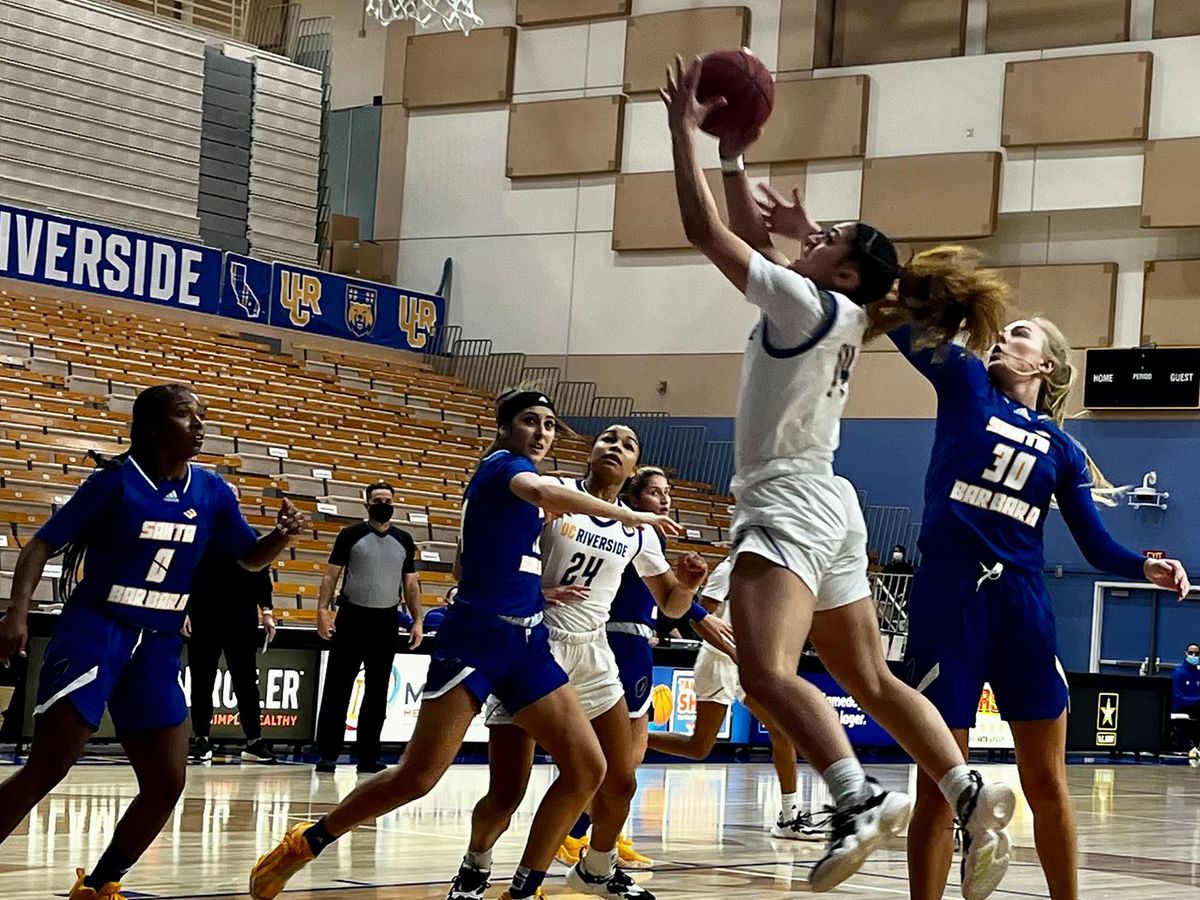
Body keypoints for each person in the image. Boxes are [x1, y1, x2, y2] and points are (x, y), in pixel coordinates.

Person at [663, 56, 1016, 897]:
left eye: (822, 243)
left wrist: (685, 131)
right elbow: (764, 241)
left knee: (768, 676)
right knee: (872, 679)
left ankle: (855, 798)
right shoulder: (846, 310)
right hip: (832, 503)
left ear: (846, 272)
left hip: (786, 498)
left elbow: (710, 233)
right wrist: (738, 159)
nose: (803, 238)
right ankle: (964, 788)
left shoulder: (805, 302)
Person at [249, 390, 681, 900]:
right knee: (418, 776)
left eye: (548, 424)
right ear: (504, 428)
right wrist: (635, 516)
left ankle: (524, 888)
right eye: (529, 421)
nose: (541, 432)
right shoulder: (503, 467)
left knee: (591, 769)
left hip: (528, 641)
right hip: (476, 635)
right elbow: (539, 496)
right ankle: (307, 841)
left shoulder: (537, 492)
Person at [833, 314, 1192, 900]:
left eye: (1019, 333)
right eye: (1002, 332)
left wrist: (1142, 567)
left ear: (1044, 363)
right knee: (936, 784)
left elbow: (1096, 545)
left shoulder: (1063, 448)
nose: (1003, 337)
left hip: (1023, 607)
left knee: (1048, 782)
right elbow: (895, 318)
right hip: (950, 602)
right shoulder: (967, 382)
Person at [0, 384, 306, 900]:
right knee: (49, 767)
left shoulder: (212, 490)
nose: (200, 425)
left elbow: (247, 559)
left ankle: (98, 887)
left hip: (159, 642)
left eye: (202, 416)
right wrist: (16, 613)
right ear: (150, 426)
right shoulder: (113, 484)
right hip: (96, 630)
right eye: (187, 416)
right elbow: (40, 545)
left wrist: (278, 539)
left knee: (167, 783)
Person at [448, 427, 710, 900]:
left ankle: (595, 868)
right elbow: (480, 562)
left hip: (592, 651)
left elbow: (671, 603)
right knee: (506, 793)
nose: (616, 447)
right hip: (534, 643)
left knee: (620, 780)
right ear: (590, 452)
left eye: (629, 444)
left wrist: (689, 585)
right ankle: (476, 863)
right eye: (608, 438)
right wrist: (540, 593)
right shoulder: (553, 493)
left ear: (632, 469)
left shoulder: (637, 528)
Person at [560, 465, 734, 870]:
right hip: (621, 639)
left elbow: (669, 595)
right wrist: (699, 614)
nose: (665, 499)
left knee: (627, 758)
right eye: (655, 493)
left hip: (635, 639)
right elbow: (669, 596)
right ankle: (575, 832)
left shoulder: (644, 534)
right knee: (621, 756)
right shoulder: (633, 531)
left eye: (668, 491)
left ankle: (604, 833)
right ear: (635, 499)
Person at [646, 556, 828, 842]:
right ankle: (631, 738)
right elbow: (698, 618)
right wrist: (732, 651)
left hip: (751, 666)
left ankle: (788, 818)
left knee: (784, 734)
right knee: (699, 748)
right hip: (718, 663)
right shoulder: (730, 568)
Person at [312, 480, 424, 774]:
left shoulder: (404, 539)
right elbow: (331, 575)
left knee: (377, 692)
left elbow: (410, 584)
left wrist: (418, 620)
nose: (383, 504)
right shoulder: (350, 535)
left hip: (385, 621)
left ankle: (368, 755)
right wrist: (323, 611)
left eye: (388, 499)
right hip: (351, 618)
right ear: (367, 505)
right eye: (377, 500)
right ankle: (328, 753)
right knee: (338, 687)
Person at [183, 507, 278, 764]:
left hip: (241, 619)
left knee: (246, 682)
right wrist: (183, 610)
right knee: (202, 681)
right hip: (204, 616)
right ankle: (201, 739)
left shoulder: (251, 536)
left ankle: (254, 741)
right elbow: (183, 574)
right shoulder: (199, 535)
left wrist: (267, 612)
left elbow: (262, 578)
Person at [1173, 643, 1200, 760]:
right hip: (1182, 707)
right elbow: (1178, 698)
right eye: (1191, 653)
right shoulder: (1179, 673)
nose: (1194, 656)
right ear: (1186, 654)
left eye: (1197, 654)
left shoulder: (1198, 673)